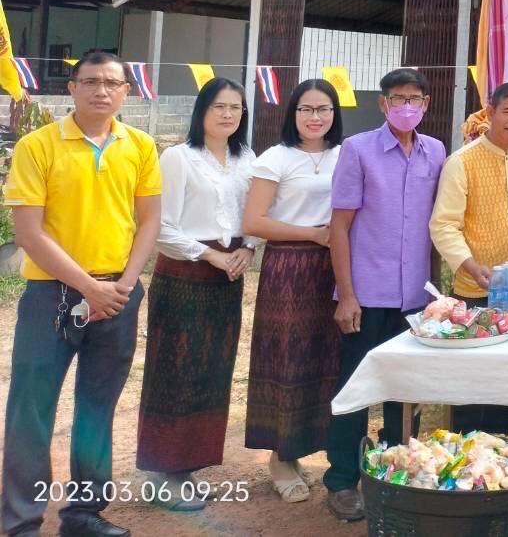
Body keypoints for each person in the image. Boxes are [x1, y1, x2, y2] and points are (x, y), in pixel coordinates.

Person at [3, 50, 161, 537]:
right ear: (71, 88)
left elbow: (149, 220)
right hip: (51, 295)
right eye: (90, 81)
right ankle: (21, 521)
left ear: (126, 92)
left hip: (118, 294)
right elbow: (28, 233)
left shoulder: (140, 146)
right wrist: (89, 288)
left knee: (97, 406)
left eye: (112, 83)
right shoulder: (37, 146)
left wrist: (123, 287)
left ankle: (84, 514)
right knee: (32, 410)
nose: (101, 91)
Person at [323, 68, 447, 522]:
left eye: (415, 99)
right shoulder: (358, 150)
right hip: (367, 294)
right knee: (356, 387)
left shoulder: (436, 151)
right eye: (398, 98)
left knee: (406, 390)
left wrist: (435, 295)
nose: (406, 106)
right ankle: (342, 481)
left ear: (426, 104)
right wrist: (346, 295)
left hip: (415, 297)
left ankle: (398, 471)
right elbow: (339, 227)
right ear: (383, 103)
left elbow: (435, 228)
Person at [136, 77, 257, 511]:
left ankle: (186, 468)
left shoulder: (247, 158)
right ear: (201, 110)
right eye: (219, 106)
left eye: (236, 107)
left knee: (213, 373)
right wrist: (210, 256)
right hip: (183, 276)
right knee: (175, 373)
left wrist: (247, 248)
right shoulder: (178, 157)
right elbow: (159, 226)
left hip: (228, 278)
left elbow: (257, 214)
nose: (228, 114)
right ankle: (163, 472)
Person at [242, 78, 344, 505]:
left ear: (335, 113)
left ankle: (306, 448)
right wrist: (312, 234)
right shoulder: (276, 158)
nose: (315, 117)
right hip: (289, 268)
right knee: (288, 360)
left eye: (324, 109)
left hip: (336, 268)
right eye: (306, 109)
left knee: (327, 360)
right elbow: (254, 221)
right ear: (293, 114)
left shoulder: (345, 154)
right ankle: (281, 458)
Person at [430, 80, 508, 435]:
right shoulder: (461, 162)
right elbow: (444, 225)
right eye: (507, 112)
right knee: (472, 382)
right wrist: (468, 264)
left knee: (507, 381)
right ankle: (465, 453)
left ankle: (500, 449)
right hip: (475, 288)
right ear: (491, 113)